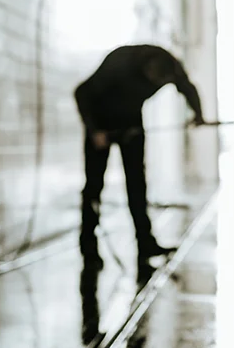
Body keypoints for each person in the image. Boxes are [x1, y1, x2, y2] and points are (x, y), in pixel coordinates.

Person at [74, 44, 204, 270]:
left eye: (161, 83)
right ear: (144, 69)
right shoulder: (119, 64)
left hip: (132, 123)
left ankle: (146, 243)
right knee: (94, 186)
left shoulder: (170, 66)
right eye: (154, 81)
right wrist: (94, 130)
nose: (157, 86)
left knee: (137, 185)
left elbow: (187, 88)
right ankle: (88, 247)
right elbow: (82, 92)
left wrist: (198, 114)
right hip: (101, 121)